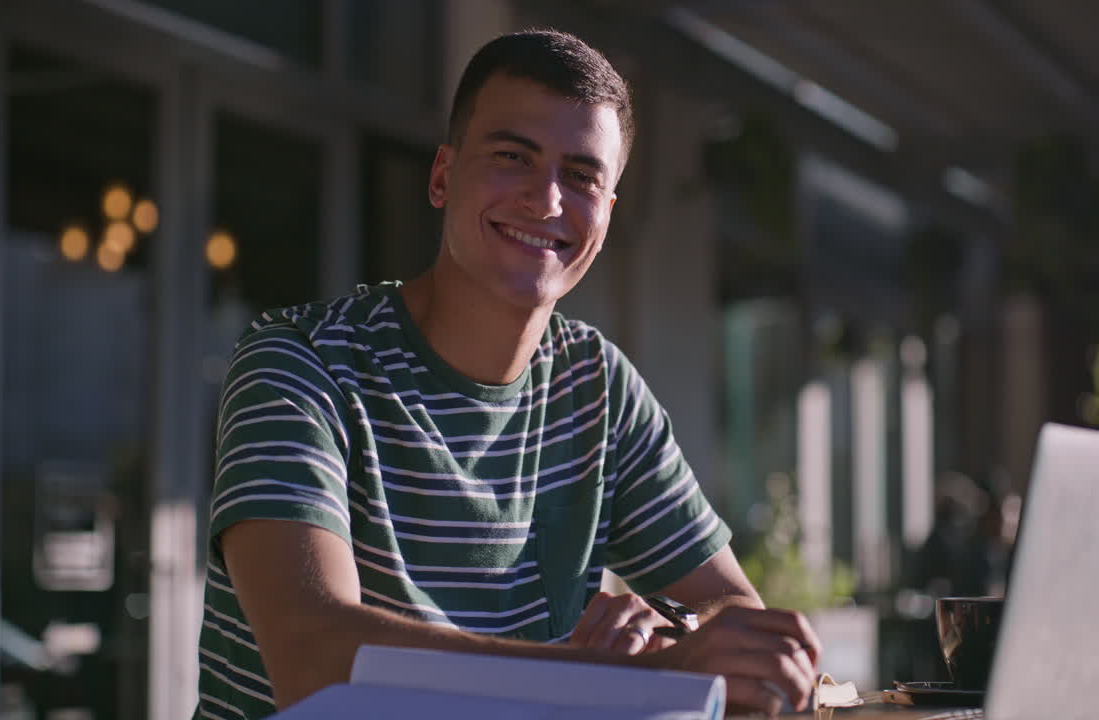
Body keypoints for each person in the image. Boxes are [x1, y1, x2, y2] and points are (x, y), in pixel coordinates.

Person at [195, 28, 821, 720]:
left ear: (606, 216)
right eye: (512, 157)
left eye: (581, 176)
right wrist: (621, 675)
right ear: (442, 176)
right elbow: (313, 660)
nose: (547, 200)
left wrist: (677, 634)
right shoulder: (300, 364)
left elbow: (733, 610)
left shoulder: (598, 388)